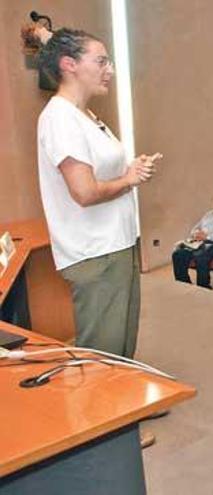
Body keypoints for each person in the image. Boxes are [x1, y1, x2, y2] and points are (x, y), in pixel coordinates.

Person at [35, 27, 162, 366]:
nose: (110, 70)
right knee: (102, 355)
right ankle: (107, 418)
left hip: (116, 243)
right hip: (95, 252)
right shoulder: (60, 118)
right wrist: (128, 179)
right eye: (102, 61)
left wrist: (131, 170)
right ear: (69, 64)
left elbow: (104, 173)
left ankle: (127, 413)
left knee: (121, 345)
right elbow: (84, 192)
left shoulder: (85, 116)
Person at [171, 191, 213, 288]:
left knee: (201, 255)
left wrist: (207, 237)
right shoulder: (209, 214)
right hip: (198, 242)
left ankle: (203, 286)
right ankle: (184, 284)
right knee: (178, 253)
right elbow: (195, 228)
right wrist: (196, 233)